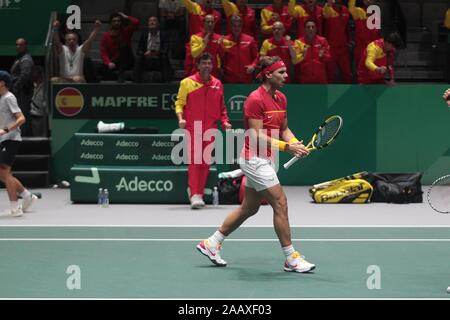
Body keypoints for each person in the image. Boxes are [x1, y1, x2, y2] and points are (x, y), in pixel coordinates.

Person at [196, 56, 316, 273]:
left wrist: (296, 143)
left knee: (249, 207)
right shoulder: (255, 99)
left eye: (286, 72)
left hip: (267, 158)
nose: (286, 76)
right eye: (281, 72)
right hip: (254, 158)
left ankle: (211, 243)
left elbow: (285, 129)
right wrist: (287, 148)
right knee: (280, 203)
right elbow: (256, 135)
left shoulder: (281, 98)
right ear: (268, 74)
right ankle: (291, 258)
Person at [175, 53, 232, 209]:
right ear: (198, 65)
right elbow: (179, 103)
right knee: (195, 160)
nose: (207, 66)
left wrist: (225, 122)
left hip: (210, 127)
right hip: (193, 127)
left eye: (209, 63)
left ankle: (198, 193)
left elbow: (222, 108)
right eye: (204, 63)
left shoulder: (218, 84)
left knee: (205, 162)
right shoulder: (187, 83)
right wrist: (180, 118)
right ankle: (194, 194)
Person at [0, 71, 38, 217]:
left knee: (5, 173)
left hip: (11, 139)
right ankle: (27, 196)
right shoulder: (1, 98)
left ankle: (15, 207)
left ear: (2, 82)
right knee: (3, 175)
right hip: (4, 139)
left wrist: (6, 129)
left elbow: (21, 118)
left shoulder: (9, 97)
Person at [100, 12, 140, 82]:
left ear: (121, 22)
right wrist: (108, 62)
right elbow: (103, 52)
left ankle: (121, 75)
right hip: (114, 62)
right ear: (111, 23)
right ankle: (120, 75)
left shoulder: (126, 32)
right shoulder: (106, 36)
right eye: (114, 21)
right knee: (101, 69)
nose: (116, 23)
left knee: (123, 47)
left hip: (127, 61)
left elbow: (136, 22)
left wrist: (126, 17)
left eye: (118, 21)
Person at [134, 16, 173, 83]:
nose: (152, 22)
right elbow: (139, 49)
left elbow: (166, 49)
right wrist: (144, 53)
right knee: (139, 58)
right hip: (147, 59)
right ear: (148, 24)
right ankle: (136, 80)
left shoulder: (164, 34)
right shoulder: (144, 34)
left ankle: (166, 80)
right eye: (150, 21)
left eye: (154, 20)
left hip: (159, 59)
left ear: (158, 24)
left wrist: (156, 53)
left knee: (164, 57)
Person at [222, 15, 259, 84]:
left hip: (246, 78)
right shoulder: (224, 40)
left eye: (238, 26)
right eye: (234, 26)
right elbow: (221, 57)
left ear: (242, 26)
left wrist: (253, 66)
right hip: (230, 79)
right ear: (231, 26)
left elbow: (256, 57)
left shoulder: (250, 40)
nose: (237, 28)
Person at [323, 0, 352, 83]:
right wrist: (329, 3)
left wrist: (349, 40)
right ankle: (328, 94)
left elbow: (346, 27)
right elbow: (325, 14)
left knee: (347, 73)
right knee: (330, 73)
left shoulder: (345, 9)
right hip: (331, 47)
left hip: (343, 48)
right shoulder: (327, 8)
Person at [10, 38, 34, 137]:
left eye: (21, 45)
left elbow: (25, 75)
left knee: (23, 114)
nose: (18, 47)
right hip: (19, 92)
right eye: (17, 45)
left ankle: (25, 137)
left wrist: (15, 87)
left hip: (23, 92)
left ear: (25, 46)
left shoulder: (26, 59)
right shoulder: (20, 58)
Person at [348, 0, 380, 68]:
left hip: (373, 47)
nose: (369, 1)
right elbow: (351, 8)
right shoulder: (359, 11)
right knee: (361, 68)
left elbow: (377, 33)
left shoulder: (376, 14)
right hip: (361, 46)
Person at [30, 66, 48, 137]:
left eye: (34, 75)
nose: (32, 77)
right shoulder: (34, 86)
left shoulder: (45, 87)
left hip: (41, 117)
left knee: (41, 138)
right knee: (36, 136)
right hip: (33, 116)